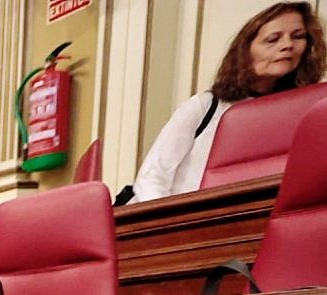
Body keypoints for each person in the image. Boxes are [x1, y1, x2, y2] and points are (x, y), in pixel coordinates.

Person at [130, 3, 323, 203]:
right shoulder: (206, 106)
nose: (287, 45)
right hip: (181, 224)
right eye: (273, 39)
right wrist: (168, 228)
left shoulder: (306, 114)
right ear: (245, 51)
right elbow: (152, 177)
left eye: (298, 36)